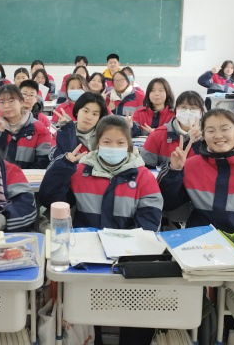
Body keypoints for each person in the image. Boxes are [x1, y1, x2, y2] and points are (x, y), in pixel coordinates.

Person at [40, 114, 163, 345]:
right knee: (87, 312)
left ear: (129, 145)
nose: (113, 147)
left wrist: (121, 248)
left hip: (129, 258)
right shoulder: (79, 170)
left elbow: (150, 219)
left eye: (120, 142)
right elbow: (52, 199)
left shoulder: (143, 176)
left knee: (137, 315)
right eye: (107, 142)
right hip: (86, 258)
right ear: (97, 143)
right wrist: (64, 166)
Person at [0, 84, 51, 169]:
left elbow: (43, 161)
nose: (6, 106)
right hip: (0, 176)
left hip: (29, 177)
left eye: (11, 101)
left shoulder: (39, 129)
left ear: (21, 102)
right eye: (2, 102)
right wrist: (1, 134)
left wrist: (19, 175)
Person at [141, 91, 205, 170]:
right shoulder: (157, 135)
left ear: (201, 112)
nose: (188, 111)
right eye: (183, 107)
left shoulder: (208, 137)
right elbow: (145, 169)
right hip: (166, 177)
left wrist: (199, 141)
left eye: (193, 108)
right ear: (176, 110)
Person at [50, 92, 109, 160]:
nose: (89, 117)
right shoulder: (62, 132)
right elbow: (52, 157)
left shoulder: (104, 135)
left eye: (95, 114)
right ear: (77, 111)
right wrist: (66, 133)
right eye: (85, 111)